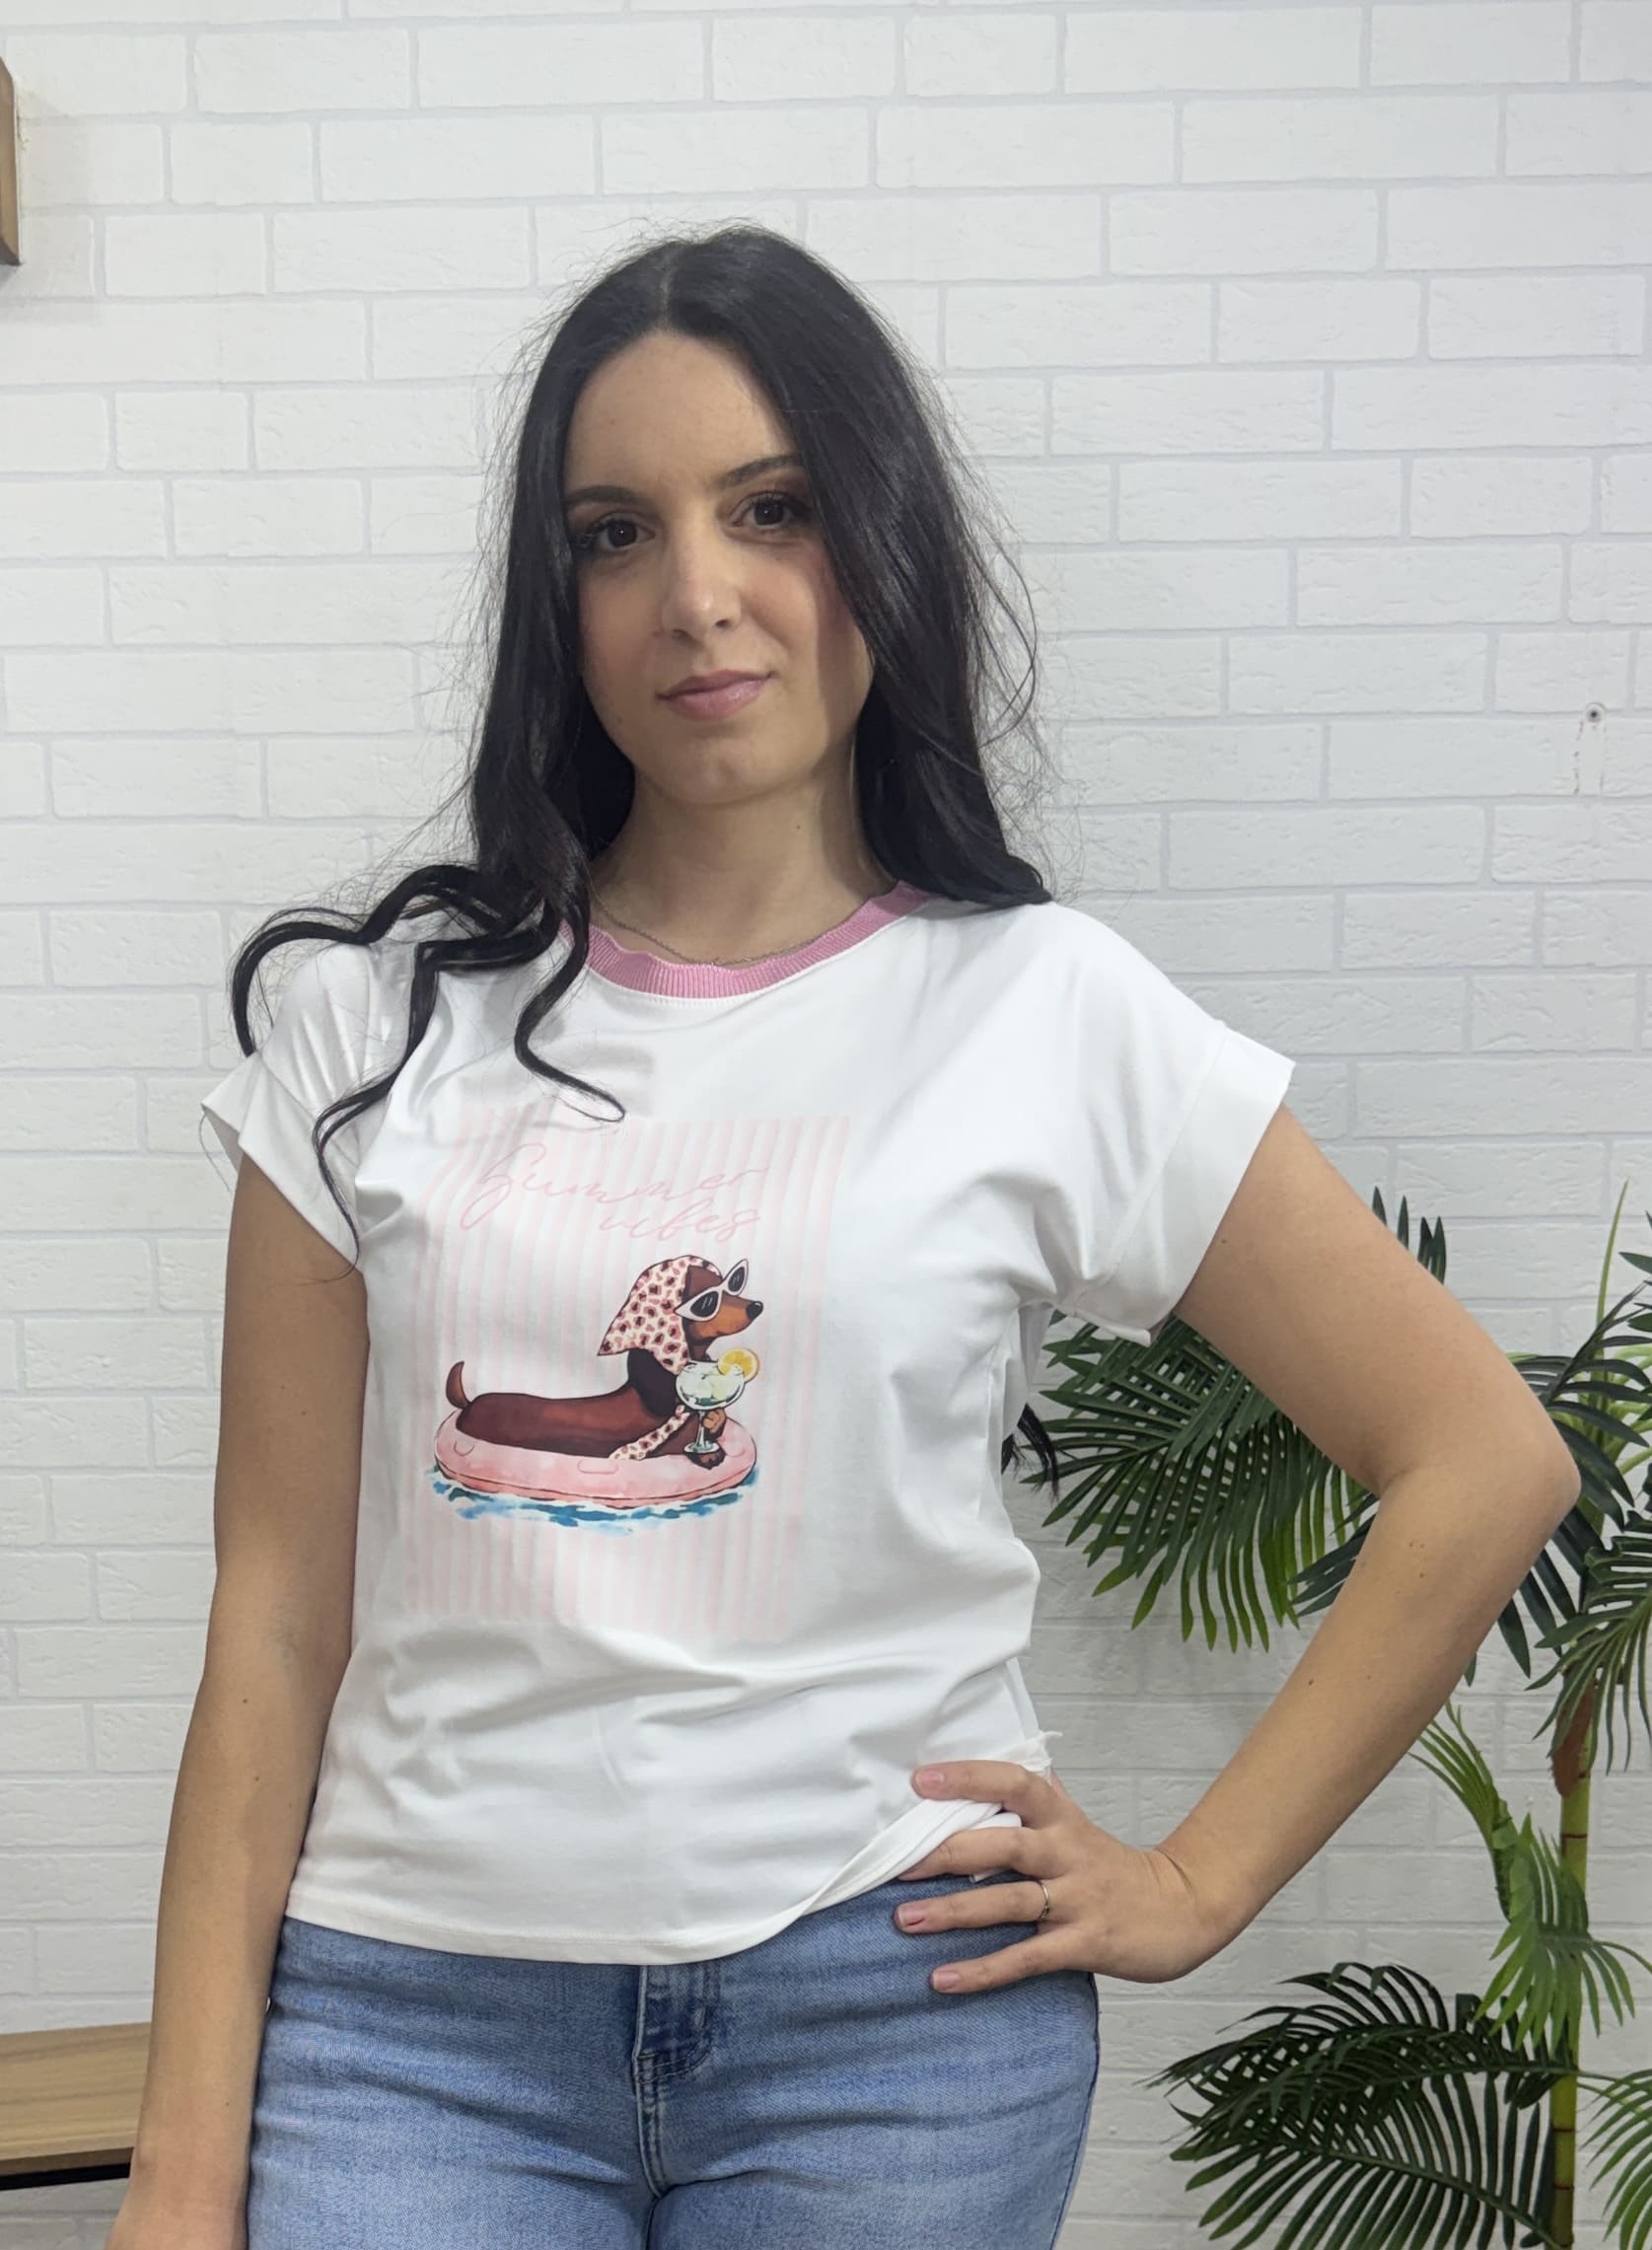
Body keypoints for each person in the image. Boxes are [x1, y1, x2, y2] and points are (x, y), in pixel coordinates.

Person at [108, 223, 1579, 2250]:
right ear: (557, 597)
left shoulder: (1045, 1012)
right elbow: (275, 1623)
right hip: (412, 2028)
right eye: (616, 533)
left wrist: (1197, 1878)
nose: (697, 595)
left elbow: (1484, 1456)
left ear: (878, 539)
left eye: (772, 508)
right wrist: (181, 2178)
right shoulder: (367, 1033)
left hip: (889, 2029)